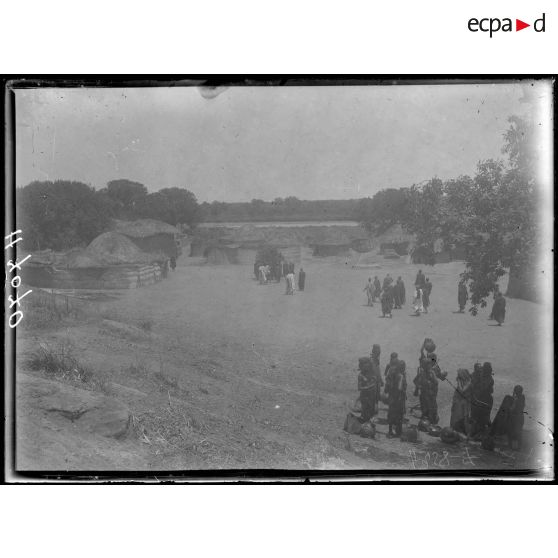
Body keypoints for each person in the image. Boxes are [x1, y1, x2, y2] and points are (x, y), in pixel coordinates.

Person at [413, 341, 447, 425]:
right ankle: (428, 417)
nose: (433, 359)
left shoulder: (431, 367)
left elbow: (438, 377)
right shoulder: (428, 366)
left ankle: (430, 418)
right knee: (427, 403)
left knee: (429, 403)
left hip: (430, 390)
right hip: (428, 390)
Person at [490, 385, 525, 450]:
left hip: (515, 420)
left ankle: (512, 446)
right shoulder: (522, 398)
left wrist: (508, 407)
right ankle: (516, 446)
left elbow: (512, 409)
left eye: (515, 391)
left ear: (515, 392)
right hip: (520, 419)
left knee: (511, 431)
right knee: (517, 434)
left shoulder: (517, 399)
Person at [470, 362, 494, 435]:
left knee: (482, 417)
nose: (481, 370)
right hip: (480, 399)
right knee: (476, 416)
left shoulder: (488, 378)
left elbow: (483, 388)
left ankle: (480, 432)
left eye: (483, 369)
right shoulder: (483, 377)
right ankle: (476, 431)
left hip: (484, 399)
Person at [385, 359, 407, 437]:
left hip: (394, 398)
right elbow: (399, 388)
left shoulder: (394, 374)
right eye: (403, 367)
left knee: (393, 414)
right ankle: (396, 432)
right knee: (397, 415)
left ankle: (392, 431)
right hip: (397, 399)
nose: (404, 368)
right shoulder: (400, 376)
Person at [357, 356, 383, 423]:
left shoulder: (371, 374)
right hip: (365, 396)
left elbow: (375, 381)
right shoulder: (361, 376)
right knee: (365, 410)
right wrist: (368, 387)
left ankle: (368, 424)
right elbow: (359, 388)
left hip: (371, 395)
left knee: (371, 410)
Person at [450, 369, 473, 435]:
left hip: (466, 402)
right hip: (458, 401)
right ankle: (454, 429)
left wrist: (459, 383)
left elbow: (462, 390)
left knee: (465, 417)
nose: (459, 376)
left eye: (460, 375)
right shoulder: (460, 381)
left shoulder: (469, 382)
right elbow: (458, 393)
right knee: (456, 416)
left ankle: (466, 432)